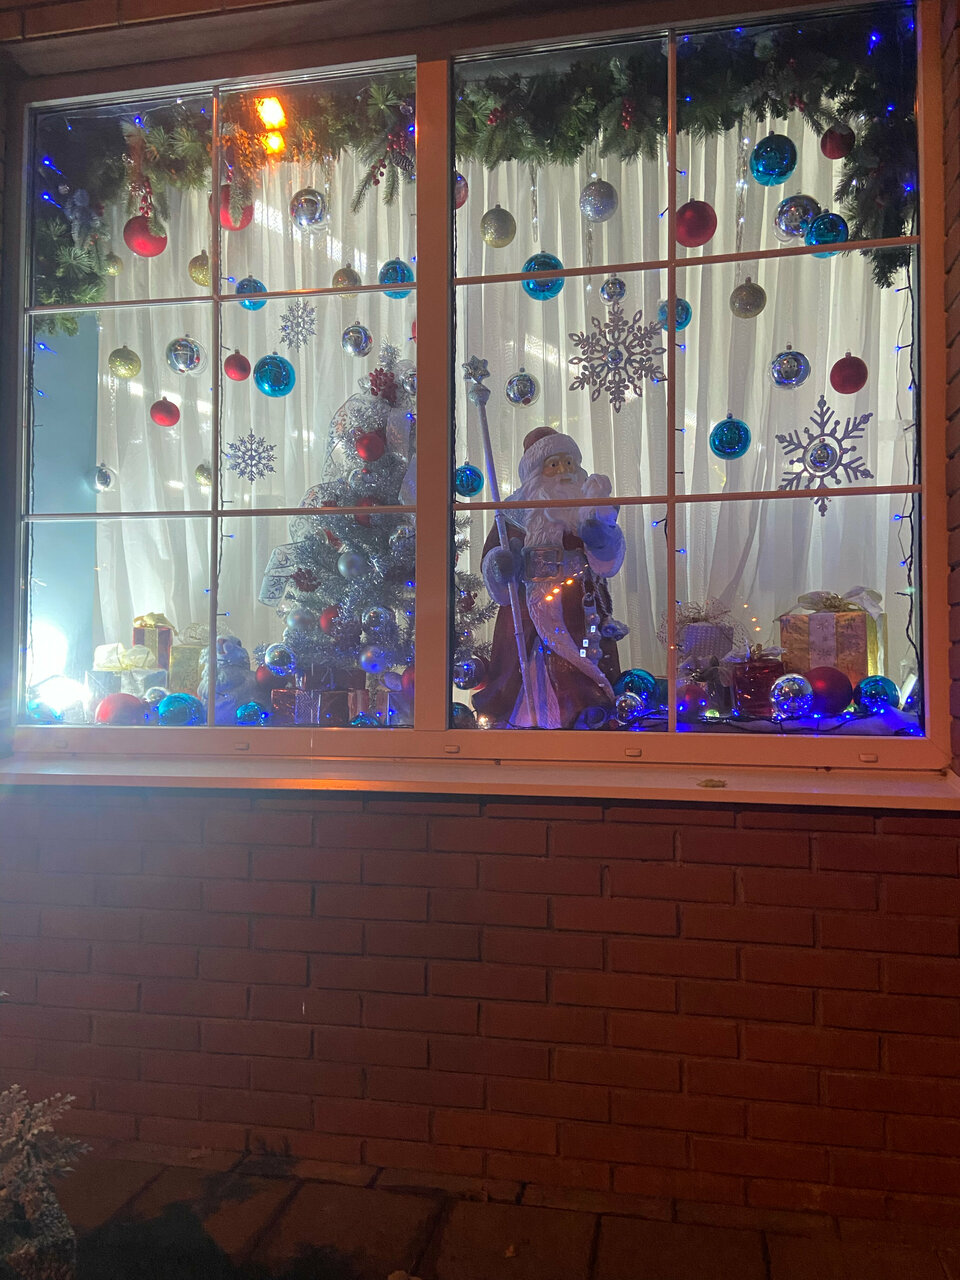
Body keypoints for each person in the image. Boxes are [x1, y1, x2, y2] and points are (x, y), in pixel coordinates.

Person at [472, 426, 627, 729]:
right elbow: (492, 561)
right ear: (535, 473)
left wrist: (601, 539)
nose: (563, 472)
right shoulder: (512, 513)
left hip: (578, 600)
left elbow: (607, 560)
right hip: (526, 606)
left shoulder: (586, 507)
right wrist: (500, 564)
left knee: (581, 663)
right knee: (520, 666)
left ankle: (585, 715)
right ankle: (521, 718)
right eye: (553, 465)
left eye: (569, 463)